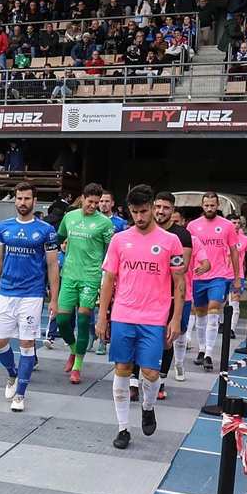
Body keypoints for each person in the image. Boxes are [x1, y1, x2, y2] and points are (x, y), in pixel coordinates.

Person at [94, 185, 186, 450]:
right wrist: (103, 316)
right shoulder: (120, 240)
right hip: (123, 313)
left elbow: (179, 281)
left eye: (144, 211)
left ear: (154, 207)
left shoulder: (171, 241)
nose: (140, 217)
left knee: (151, 372)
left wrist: (176, 318)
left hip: (155, 317)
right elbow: (109, 280)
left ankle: (147, 406)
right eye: (134, 212)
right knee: (122, 369)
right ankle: (123, 428)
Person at [0, 181, 60, 412]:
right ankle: (12, 374)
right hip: (6, 292)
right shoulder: (4, 227)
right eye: (19, 198)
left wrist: (55, 300)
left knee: (27, 344)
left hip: (31, 294)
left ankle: (20, 394)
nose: (22, 202)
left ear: (34, 201)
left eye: (27, 198)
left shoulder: (45, 230)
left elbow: (52, 266)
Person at [54, 183, 113, 384]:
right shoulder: (69, 217)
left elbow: (112, 249)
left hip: (90, 277)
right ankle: (73, 350)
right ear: (82, 198)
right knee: (61, 321)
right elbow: (58, 238)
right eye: (90, 202)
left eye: (97, 203)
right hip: (69, 275)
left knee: (82, 320)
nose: (94, 206)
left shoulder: (104, 223)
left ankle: (77, 368)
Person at [185, 192, 243, 371]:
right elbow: (187, 250)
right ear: (202, 206)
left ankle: (209, 353)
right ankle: (201, 350)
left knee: (213, 312)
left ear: (218, 206)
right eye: (206, 205)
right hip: (197, 277)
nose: (209, 208)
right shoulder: (193, 226)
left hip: (218, 276)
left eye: (212, 205)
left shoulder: (226, 226)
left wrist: (236, 277)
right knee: (200, 313)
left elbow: (233, 252)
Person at [155, 191, 196, 385]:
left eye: (165, 208)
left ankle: (162, 380)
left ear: (172, 210)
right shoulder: (145, 229)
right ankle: (134, 382)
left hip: (170, 295)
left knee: (166, 339)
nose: (160, 211)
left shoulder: (182, 235)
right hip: (146, 294)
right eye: (157, 207)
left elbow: (183, 268)